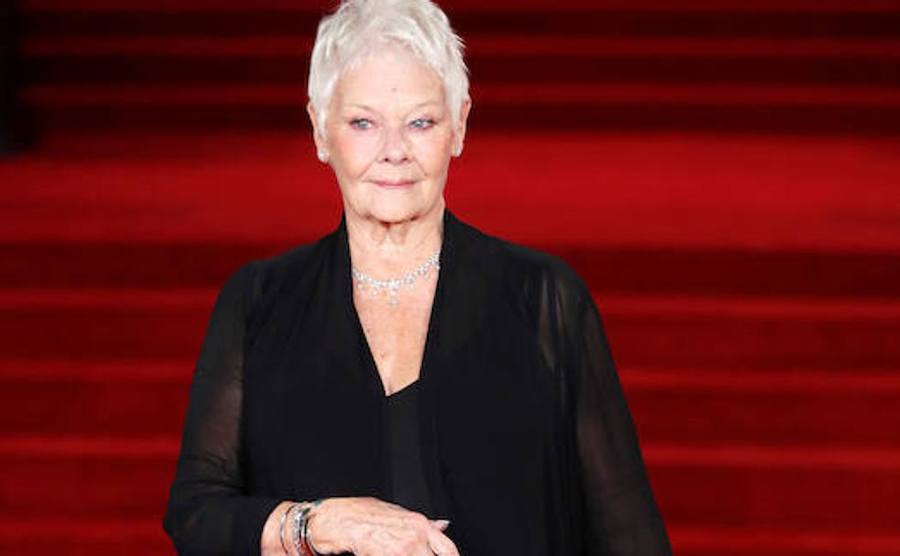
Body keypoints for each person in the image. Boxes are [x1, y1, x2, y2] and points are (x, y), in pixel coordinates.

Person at [163, 0, 672, 554]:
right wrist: (320, 524)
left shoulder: (544, 300)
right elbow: (195, 515)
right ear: (319, 130)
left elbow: (630, 534)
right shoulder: (258, 303)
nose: (394, 152)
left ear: (459, 126)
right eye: (363, 123)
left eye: (421, 122)